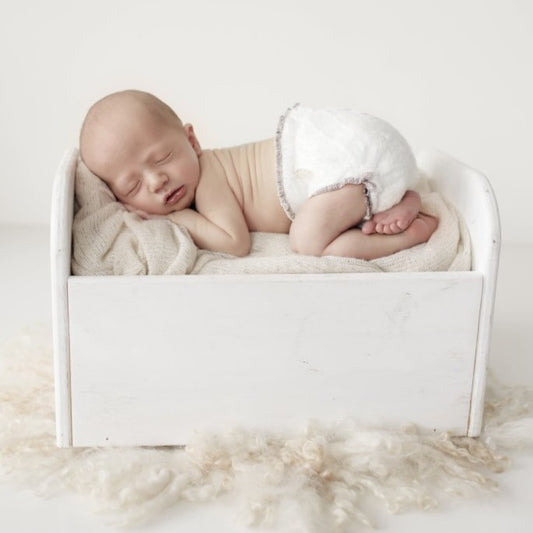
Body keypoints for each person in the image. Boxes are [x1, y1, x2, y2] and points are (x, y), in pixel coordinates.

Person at [79, 90, 438, 260]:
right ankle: (399, 196)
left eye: (163, 158)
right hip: (369, 157)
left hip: (346, 162)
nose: (157, 182)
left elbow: (234, 242)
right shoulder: (207, 171)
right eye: (134, 185)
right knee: (331, 222)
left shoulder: (209, 179)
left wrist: (182, 217)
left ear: (192, 140)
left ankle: (410, 233)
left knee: (308, 242)